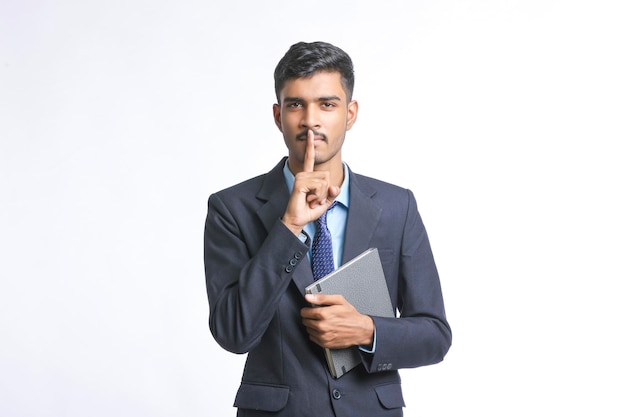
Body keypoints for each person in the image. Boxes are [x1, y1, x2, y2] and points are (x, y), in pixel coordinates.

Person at [204, 41, 452, 417]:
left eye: (327, 104)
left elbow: (434, 336)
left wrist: (367, 331)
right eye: (295, 104)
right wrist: (288, 227)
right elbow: (234, 333)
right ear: (277, 115)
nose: (310, 120)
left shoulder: (397, 207)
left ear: (350, 113)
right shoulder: (231, 209)